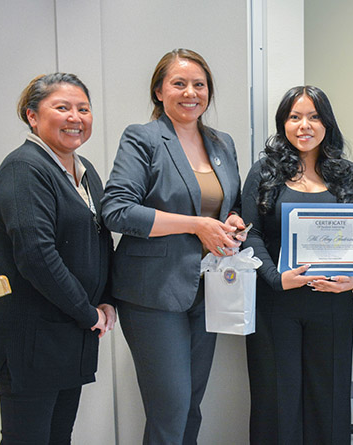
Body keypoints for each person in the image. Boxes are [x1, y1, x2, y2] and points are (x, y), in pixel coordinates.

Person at [101, 48, 245, 444]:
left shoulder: (222, 142)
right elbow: (116, 210)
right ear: (159, 92)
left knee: (192, 404)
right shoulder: (143, 138)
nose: (190, 92)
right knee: (171, 407)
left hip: (207, 290)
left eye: (199, 84)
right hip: (152, 293)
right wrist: (197, 225)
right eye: (178, 84)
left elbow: (226, 203)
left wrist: (231, 220)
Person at [0, 73, 115, 444]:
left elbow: (100, 243)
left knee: (58, 438)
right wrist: (88, 313)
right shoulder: (24, 169)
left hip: (69, 334)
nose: (76, 117)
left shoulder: (84, 172)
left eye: (83, 109)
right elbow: (36, 255)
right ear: (32, 116)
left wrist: (107, 300)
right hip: (30, 340)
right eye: (62, 107)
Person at [241, 86, 353, 445]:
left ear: (327, 123)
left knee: (328, 398)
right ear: (283, 124)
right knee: (275, 399)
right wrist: (276, 278)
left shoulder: (347, 174)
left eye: (313, 116)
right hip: (275, 304)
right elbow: (250, 236)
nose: (304, 125)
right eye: (294, 117)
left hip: (332, 304)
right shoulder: (264, 172)